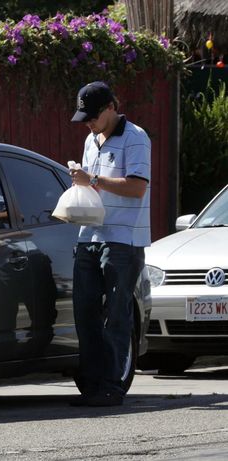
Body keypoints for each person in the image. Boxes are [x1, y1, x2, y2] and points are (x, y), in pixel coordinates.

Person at [68, 81, 151, 407]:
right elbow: (93, 186)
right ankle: (91, 385)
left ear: (110, 108)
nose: (88, 123)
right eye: (84, 117)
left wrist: (95, 181)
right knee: (85, 312)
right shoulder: (91, 140)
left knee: (115, 315)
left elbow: (137, 188)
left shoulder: (136, 137)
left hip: (123, 239)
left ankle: (112, 387)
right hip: (89, 235)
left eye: (92, 116)